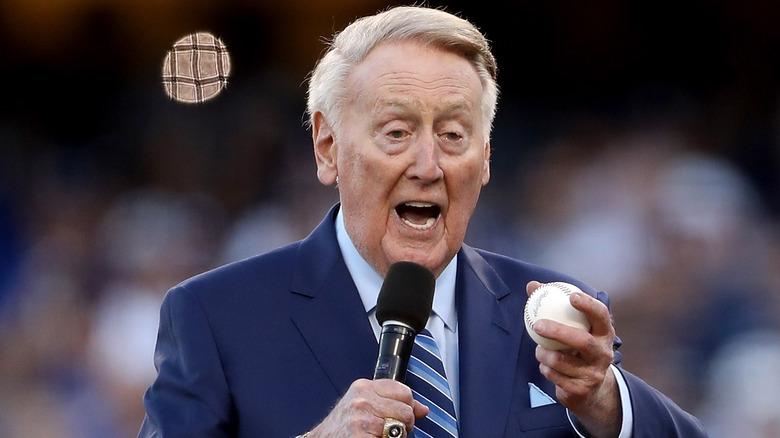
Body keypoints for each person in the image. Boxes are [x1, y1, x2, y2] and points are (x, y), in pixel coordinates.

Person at [138, 6, 708, 438]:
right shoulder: (215, 317)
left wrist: (608, 403)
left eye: (454, 136)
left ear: (485, 159)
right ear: (327, 145)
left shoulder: (556, 314)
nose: (428, 165)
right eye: (397, 133)